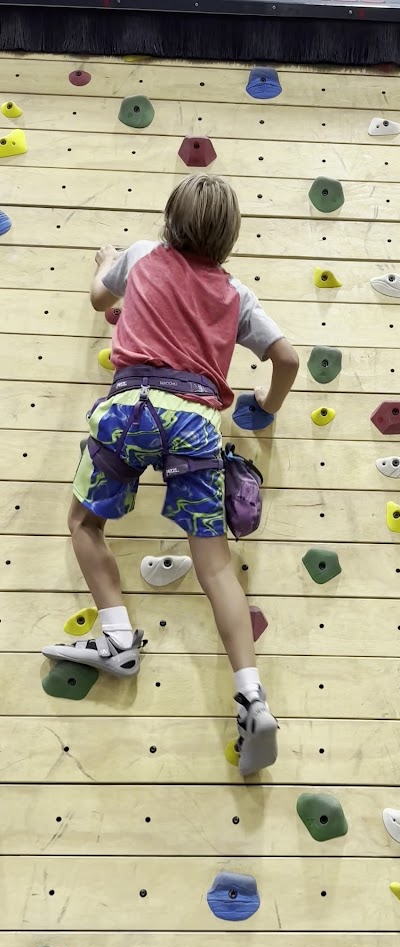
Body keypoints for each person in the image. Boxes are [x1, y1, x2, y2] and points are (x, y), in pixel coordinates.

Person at [42, 173, 299, 774]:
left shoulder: (139, 257)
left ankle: (117, 637)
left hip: (129, 411)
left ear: (169, 220)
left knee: (84, 522)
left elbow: (98, 301)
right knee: (213, 566)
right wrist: (267, 404)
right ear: (229, 237)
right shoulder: (237, 296)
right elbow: (287, 358)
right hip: (196, 425)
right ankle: (252, 697)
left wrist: (106, 262)